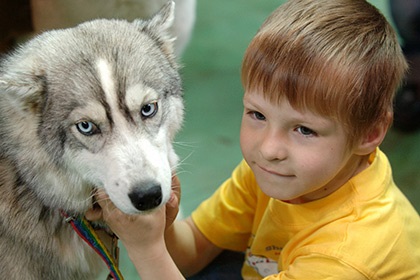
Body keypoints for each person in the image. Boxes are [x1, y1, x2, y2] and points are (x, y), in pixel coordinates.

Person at [86, 0, 420, 279]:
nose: (268, 148)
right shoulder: (276, 174)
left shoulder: (344, 258)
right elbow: (193, 252)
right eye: (257, 115)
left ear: (371, 133)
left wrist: (145, 248)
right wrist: (162, 229)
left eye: (304, 130)